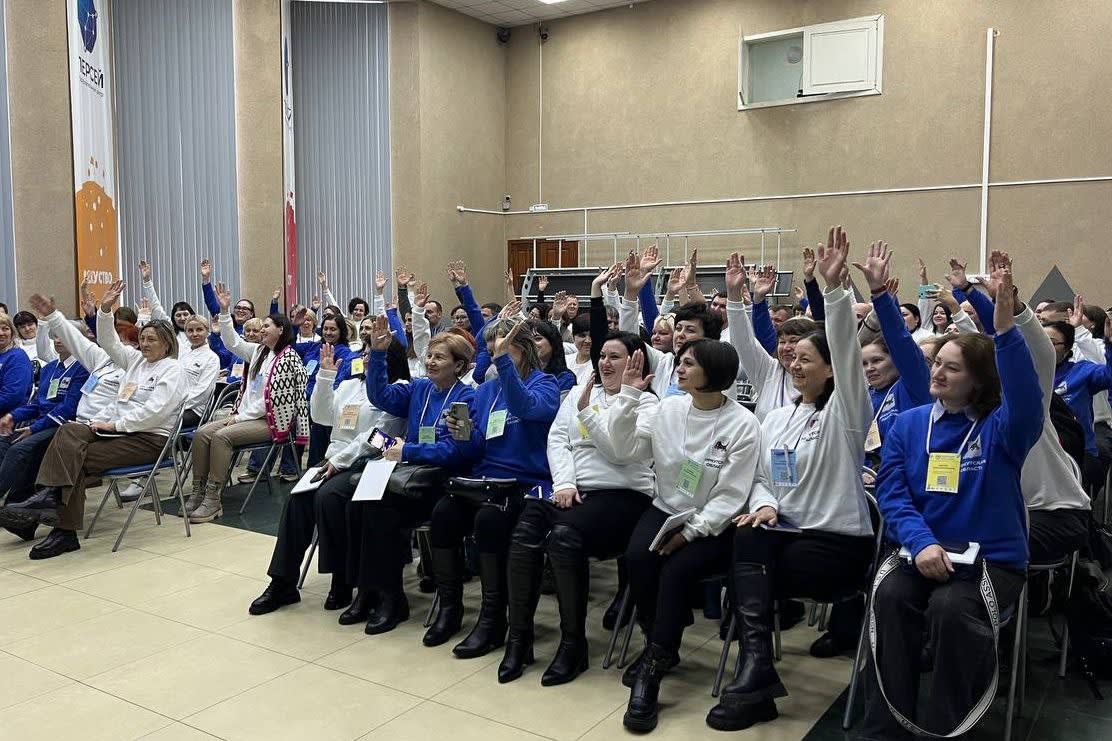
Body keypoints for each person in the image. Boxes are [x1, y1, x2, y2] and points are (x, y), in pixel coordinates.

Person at [861, 254, 1042, 738]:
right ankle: (885, 729)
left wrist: (1005, 330)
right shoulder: (909, 424)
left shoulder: (1004, 429)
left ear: (979, 381)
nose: (937, 374)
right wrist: (921, 543)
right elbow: (893, 495)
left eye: (953, 369)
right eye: (937, 363)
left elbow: (1026, 395)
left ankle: (949, 728)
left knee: (952, 611)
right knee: (890, 596)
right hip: (921, 552)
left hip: (991, 562)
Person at [705, 228, 876, 731]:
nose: (795, 365)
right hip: (784, 534)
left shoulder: (847, 414)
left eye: (806, 359)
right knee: (747, 539)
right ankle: (756, 673)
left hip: (835, 544)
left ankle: (755, 675)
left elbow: (847, 352)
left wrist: (834, 291)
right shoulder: (777, 417)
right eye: (792, 357)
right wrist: (765, 503)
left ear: (830, 370)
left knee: (746, 569)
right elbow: (760, 476)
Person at [608, 338, 760, 733]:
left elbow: (731, 496)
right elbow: (624, 451)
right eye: (680, 361)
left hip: (716, 523)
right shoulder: (669, 408)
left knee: (675, 570)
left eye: (689, 363)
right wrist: (628, 397)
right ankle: (658, 639)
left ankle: (653, 668)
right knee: (638, 557)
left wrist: (691, 533)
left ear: (714, 372)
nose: (680, 368)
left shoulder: (742, 424)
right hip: (667, 508)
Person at [498, 331, 656, 686]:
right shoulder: (580, 393)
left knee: (563, 537)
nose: (605, 363)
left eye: (615, 357)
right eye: (603, 356)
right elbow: (558, 439)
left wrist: (598, 410)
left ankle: (573, 645)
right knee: (527, 526)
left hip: (623, 495)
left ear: (636, 362)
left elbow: (621, 453)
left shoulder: (647, 404)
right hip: (576, 490)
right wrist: (565, 483)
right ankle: (519, 638)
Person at [0, 280, 185, 559]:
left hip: (148, 438)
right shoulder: (134, 361)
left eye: (151, 340)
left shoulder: (172, 370)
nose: (145, 344)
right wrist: (100, 311)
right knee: (69, 431)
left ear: (167, 343)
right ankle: (52, 506)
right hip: (115, 432)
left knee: (73, 458)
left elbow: (154, 412)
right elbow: (105, 341)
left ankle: (62, 528)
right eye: (143, 339)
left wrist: (114, 425)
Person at [249, 330, 410, 621]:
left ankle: (342, 579)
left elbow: (382, 437)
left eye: (373, 353)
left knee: (328, 497)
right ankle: (283, 582)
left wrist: (341, 460)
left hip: (370, 463)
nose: (365, 358)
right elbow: (321, 417)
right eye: (364, 353)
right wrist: (325, 377)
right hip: (334, 460)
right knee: (297, 500)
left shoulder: (399, 390)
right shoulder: (349, 385)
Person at [424, 319, 560, 659]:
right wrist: (461, 433)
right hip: (485, 481)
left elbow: (525, 407)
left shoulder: (546, 384)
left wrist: (502, 364)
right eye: (492, 349)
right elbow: (476, 449)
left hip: (525, 483)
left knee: (489, 520)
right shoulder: (486, 391)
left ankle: (493, 618)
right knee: (443, 514)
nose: (495, 353)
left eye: (503, 347)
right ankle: (450, 608)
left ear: (523, 347)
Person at [186, 282, 309, 523]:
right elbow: (231, 341)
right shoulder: (258, 352)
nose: (262, 330)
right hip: (245, 417)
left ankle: (213, 498)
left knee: (221, 437)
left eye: (266, 326)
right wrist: (224, 312)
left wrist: (238, 418)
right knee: (201, 434)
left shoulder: (288, 358)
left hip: (269, 422)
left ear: (280, 330)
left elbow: (270, 402)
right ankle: (198, 491)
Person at [0, 305, 89, 506]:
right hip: (41, 422)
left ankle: (15, 502)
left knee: (18, 450)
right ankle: (16, 504)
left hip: (64, 426)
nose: (58, 340)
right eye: (55, 336)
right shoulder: (49, 368)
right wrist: (12, 416)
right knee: (5, 441)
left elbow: (68, 408)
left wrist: (33, 428)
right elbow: (36, 404)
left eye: (63, 336)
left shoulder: (82, 368)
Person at [727, 258, 817, 420]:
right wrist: (733, 295)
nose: (786, 347)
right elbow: (744, 342)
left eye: (794, 341)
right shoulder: (769, 371)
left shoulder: (827, 379)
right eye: (782, 342)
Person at [138, 259, 195, 354]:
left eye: (185, 314)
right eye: (178, 315)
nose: (182, 318)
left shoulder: (200, 332)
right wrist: (147, 280)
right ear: (173, 317)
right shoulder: (169, 328)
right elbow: (156, 306)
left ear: (192, 315)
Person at [0, 312, 34, 418]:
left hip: (8, 418)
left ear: (12, 332)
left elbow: (12, 396)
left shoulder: (17, 357)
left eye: (5, 329)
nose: (1, 333)